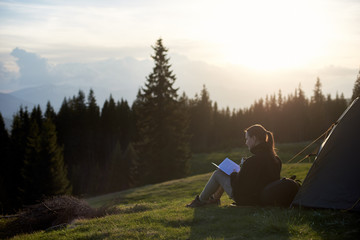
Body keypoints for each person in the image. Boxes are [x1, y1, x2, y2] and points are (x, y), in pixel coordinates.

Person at [186, 124, 282, 207]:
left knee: (218, 174)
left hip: (247, 199)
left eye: (247, 138)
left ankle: (200, 201)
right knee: (223, 173)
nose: (246, 142)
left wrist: (234, 173)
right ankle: (214, 200)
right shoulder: (276, 159)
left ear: (254, 138)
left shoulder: (253, 161)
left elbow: (239, 186)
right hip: (261, 198)